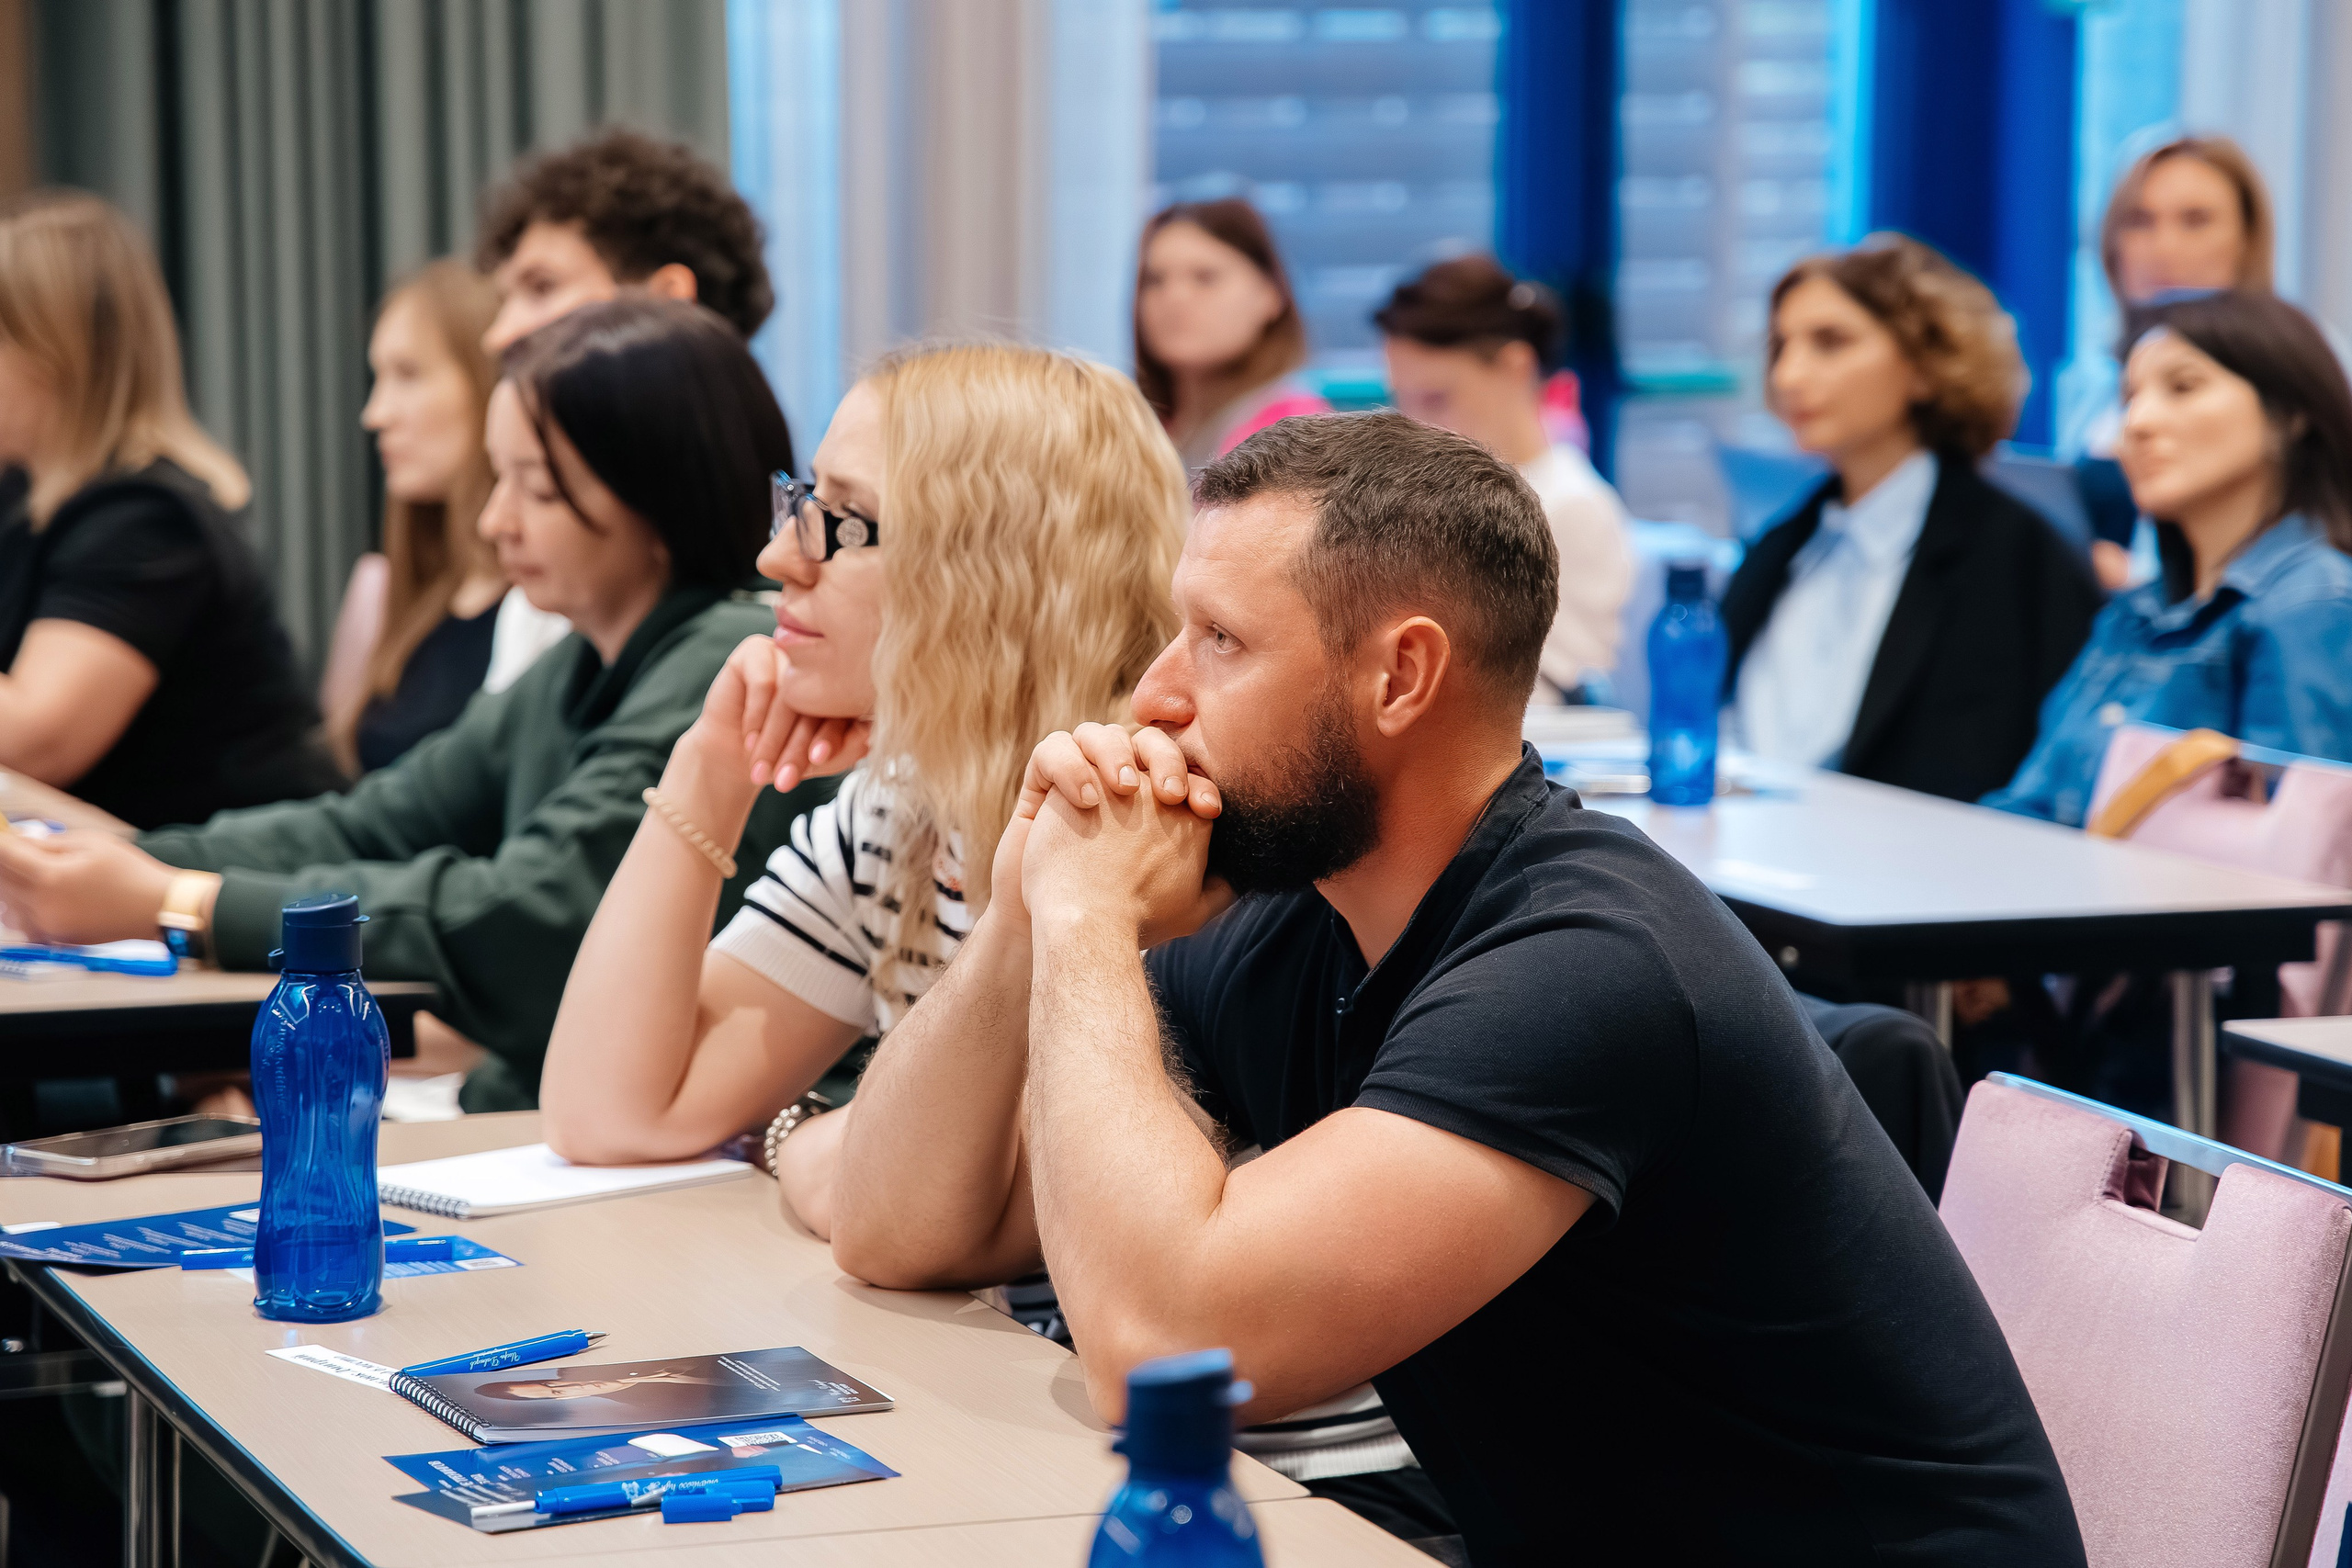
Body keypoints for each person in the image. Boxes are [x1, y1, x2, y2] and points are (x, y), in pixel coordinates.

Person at [809, 412, 2084, 1565]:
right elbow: (898, 1219)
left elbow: (1165, 1349)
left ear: (1401, 675)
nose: (1154, 693)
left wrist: (1090, 916)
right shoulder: (1312, 918)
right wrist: (1028, 911)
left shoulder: (1587, 961)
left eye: (1222, 640)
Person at [0, 299, 826, 1113]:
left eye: (535, 489)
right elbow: (375, 821)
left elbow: (522, 914)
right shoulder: (582, 663)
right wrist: (125, 860)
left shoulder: (724, 662)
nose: (494, 520)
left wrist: (176, 900)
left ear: (660, 500)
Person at [537, 341, 1186, 1162]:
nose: (777, 558)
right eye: (800, 500)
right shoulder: (906, 813)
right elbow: (609, 1115)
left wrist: (802, 1138)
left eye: (841, 523)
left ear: (991, 572)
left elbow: (996, 1180)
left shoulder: (1146, 823)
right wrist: (709, 772)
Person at [0, 191, 344, 830]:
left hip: (238, 896)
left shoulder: (145, 518)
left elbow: (30, 746)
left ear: (57, 356)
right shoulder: (23, 501)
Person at [1720, 233, 2101, 803]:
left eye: (1830, 342)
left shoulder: (2021, 560)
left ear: (1926, 365)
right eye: (1781, 346)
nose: (1788, 376)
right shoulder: (1781, 546)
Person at [1988, 290, 2352, 820]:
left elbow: (2304, 867)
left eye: (2182, 387)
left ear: (2293, 412)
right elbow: (2031, 806)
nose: (2136, 423)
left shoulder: (2310, 602)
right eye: (2129, 397)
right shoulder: (2132, 614)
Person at [473, 125, 778, 686]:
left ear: (665, 301)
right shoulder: (536, 609)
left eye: (541, 288)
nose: (500, 334)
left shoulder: (753, 617)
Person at [1375, 254, 1633, 700]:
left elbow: (1568, 696)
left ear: (1516, 368)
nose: (1416, 426)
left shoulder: (1571, 507)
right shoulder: (1433, 499)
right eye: (1404, 402)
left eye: (1436, 400)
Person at [319, 260, 507, 774]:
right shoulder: (414, 595)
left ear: (491, 384)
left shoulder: (547, 613)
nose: (375, 414)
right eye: (380, 378)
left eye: (408, 375)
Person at [2077, 136, 2280, 591]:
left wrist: (2138, 588)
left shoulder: (2290, 367)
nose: (2164, 247)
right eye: (2139, 221)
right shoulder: (2097, 379)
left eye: (2196, 221)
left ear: (2247, 240)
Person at [1135, 199, 1330, 472]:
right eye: (1155, 280)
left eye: (1205, 277)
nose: (1174, 298)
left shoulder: (1300, 432)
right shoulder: (1141, 431)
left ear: (1271, 294)